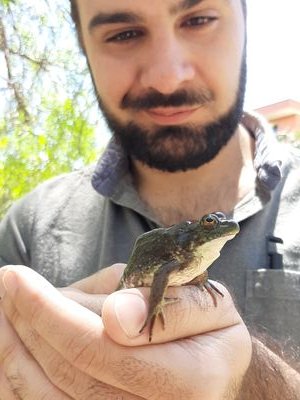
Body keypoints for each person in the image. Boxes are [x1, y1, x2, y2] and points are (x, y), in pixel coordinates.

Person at [0, 0, 299, 398]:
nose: (167, 78)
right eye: (123, 33)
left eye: (198, 20)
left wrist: (258, 382)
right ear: (82, 46)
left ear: (246, 19)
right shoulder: (26, 229)